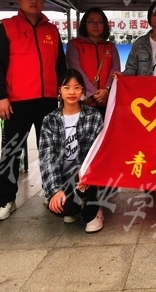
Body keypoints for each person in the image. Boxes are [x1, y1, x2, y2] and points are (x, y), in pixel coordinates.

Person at [0, 0, 67, 221]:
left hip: (47, 101)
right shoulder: (6, 26)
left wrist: (64, 92)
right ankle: (6, 199)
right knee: (11, 150)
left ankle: (51, 191)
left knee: (50, 150)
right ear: (19, 0)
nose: (34, 1)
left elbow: (60, 65)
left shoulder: (51, 30)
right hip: (16, 102)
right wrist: (1, 96)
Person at [39, 69, 105, 233]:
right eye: (67, 87)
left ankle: (94, 209)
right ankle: (75, 207)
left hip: (87, 176)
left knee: (89, 211)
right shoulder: (50, 120)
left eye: (77, 87)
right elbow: (47, 159)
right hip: (64, 178)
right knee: (60, 207)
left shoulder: (94, 116)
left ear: (82, 90)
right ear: (59, 91)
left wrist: (88, 174)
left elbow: (100, 151)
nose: (72, 92)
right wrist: (55, 190)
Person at [66, 8, 120, 117]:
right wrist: (93, 93)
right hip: (83, 100)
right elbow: (76, 70)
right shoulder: (74, 45)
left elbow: (115, 69)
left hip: (106, 101)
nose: (96, 25)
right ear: (84, 24)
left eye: (100, 22)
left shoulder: (110, 46)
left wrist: (107, 90)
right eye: (91, 21)